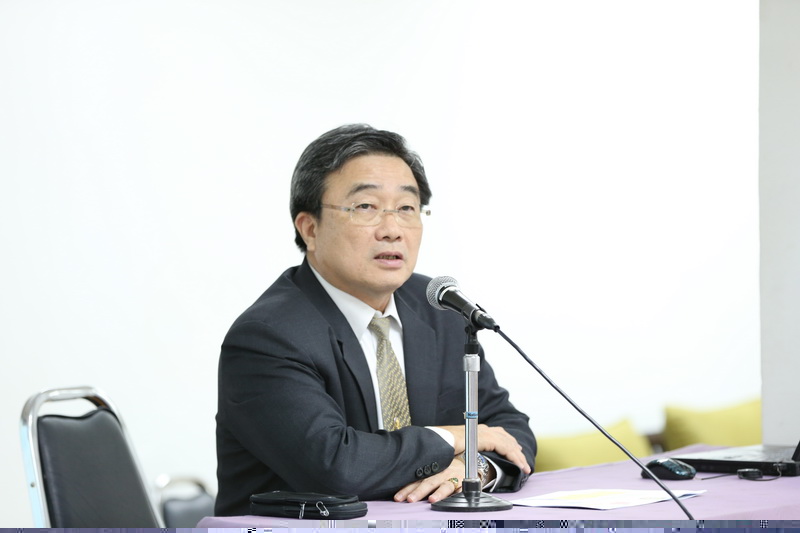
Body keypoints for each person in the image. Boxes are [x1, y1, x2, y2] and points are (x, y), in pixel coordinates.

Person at [214, 124, 536, 516]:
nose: (392, 230)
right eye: (366, 207)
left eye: (406, 208)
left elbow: (507, 428)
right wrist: (453, 438)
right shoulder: (268, 336)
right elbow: (337, 466)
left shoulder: (441, 310)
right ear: (310, 229)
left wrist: (473, 467)